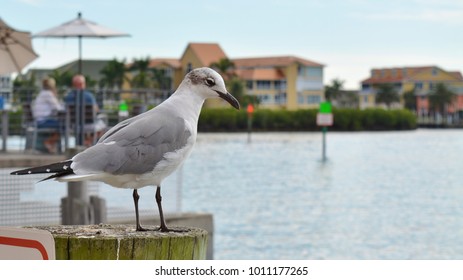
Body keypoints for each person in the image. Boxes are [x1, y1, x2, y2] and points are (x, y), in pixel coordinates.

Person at [64, 74, 106, 146]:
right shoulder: (89, 96)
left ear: (73, 84)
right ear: (82, 84)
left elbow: (65, 110)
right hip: (90, 124)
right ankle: (88, 141)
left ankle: (85, 141)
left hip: (73, 125)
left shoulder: (68, 97)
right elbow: (96, 110)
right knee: (103, 126)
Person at [32, 77, 64, 153]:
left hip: (39, 120)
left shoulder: (41, 93)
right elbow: (58, 108)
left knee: (61, 125)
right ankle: (49, 143)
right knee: (63, 125)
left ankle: (51, 144)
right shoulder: (48, 94)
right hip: (43, 121)